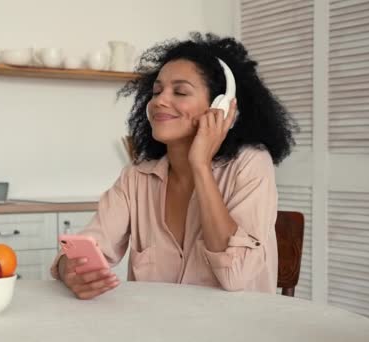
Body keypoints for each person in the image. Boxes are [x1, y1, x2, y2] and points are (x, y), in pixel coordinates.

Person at [50, 32, 296, 299]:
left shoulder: (250, 165)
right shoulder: (136, 178)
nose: (160, 101)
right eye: (156, 91)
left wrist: (200, 165)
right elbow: (88, 247)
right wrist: (69, 270)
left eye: (180, 91)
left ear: (220, 107)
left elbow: (235, 274)